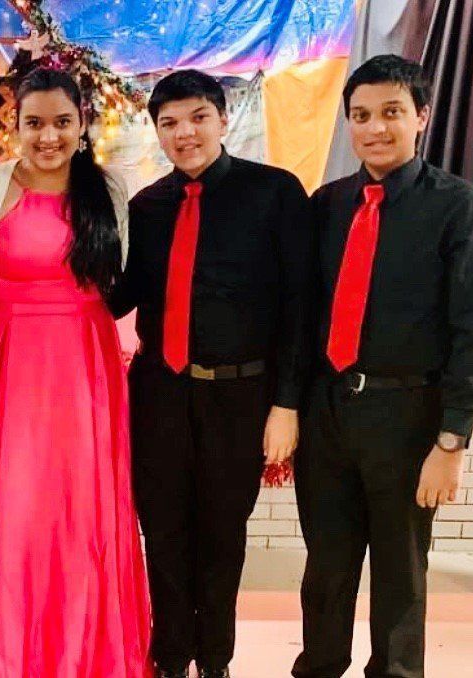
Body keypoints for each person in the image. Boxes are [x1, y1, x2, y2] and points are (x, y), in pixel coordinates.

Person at [292, 55, 473, 678]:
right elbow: (305, 317)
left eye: (391, 113)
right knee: (325, 570)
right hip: (329, 410)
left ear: (421, 118)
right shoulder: (327, 205)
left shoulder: (463, 209)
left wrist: (452, 440)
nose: (375, 129)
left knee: (400, 576)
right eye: (360, 116)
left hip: (410, 418)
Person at [111, 69, 313, 678]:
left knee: (223, 538)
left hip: (241, 395)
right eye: (168, 123)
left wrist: (286, 405)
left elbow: (301, 308)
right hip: (160, 394)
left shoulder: (276, 193)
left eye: (197, 117)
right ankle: (171, 658)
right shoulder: (146, 206)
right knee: (164, 535)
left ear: (222, 120)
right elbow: (122, 296)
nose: (184, 133)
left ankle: (216, 661)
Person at [0, 67, 152, 677]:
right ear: (13, 124)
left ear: (82, 123)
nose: (48, 136)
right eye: (34, 123)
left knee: (80, 511)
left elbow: (126, 283)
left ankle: (84, 653)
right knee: (6, 508)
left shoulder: (111, 191)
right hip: (1, 366)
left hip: (83, 366)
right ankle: (5, 653)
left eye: (62, 122)